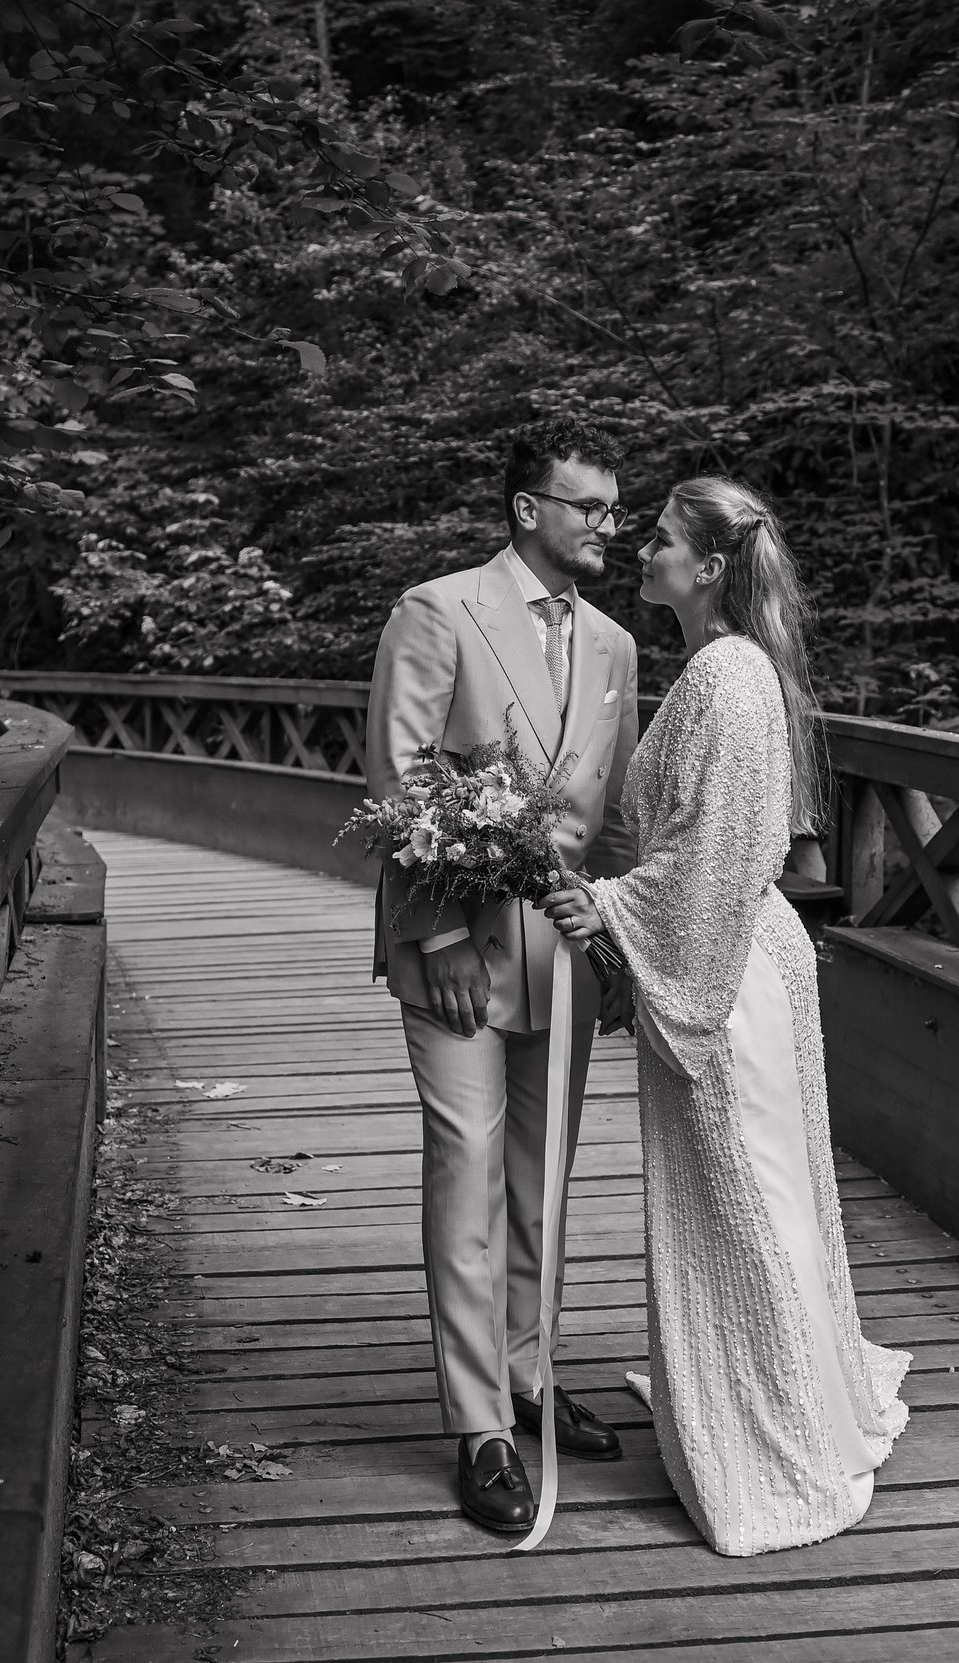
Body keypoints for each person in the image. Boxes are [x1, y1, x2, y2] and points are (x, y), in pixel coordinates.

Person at [540, 476, 911, 1555]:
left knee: (746, 1201)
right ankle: (785, 1386)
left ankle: (778, 1429)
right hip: (743, 959)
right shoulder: (726, 670)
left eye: (657, 538)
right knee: (764, 1195)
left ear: (707, 566)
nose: (640, 550)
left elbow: (722, 856)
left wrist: (602, 901)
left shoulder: (723, 675)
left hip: (730, 972)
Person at [363, 416, 644, 1533]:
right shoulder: (438, 610)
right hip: (457, 948)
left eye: (615, 510)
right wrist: (432, 937)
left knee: (543, 1179)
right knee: (465, 1169)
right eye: (588, 506)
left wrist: (617, 948)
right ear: (528, 508)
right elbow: (399, 775)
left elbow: (613, 817)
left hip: (565, 955)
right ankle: (479, 1425)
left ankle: (529, 1380)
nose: (607, 527)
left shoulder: (618, 646)